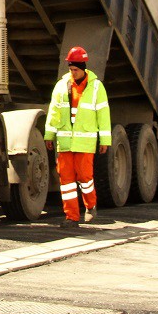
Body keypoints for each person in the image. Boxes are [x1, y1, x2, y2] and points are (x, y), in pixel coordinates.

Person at [44, 46, 111, 229]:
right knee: (66, 181)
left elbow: (103, 114)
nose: (73, 73)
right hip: (65, 141)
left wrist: (105, 140)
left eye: (76, 70)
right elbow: (53, 111)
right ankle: (71, 217)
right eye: (71, 69)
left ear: (83, 68)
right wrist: (49, 135)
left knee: (85, 177)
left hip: (85, 142)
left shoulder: (96, 87)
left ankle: (90, 205)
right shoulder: (61, 85)